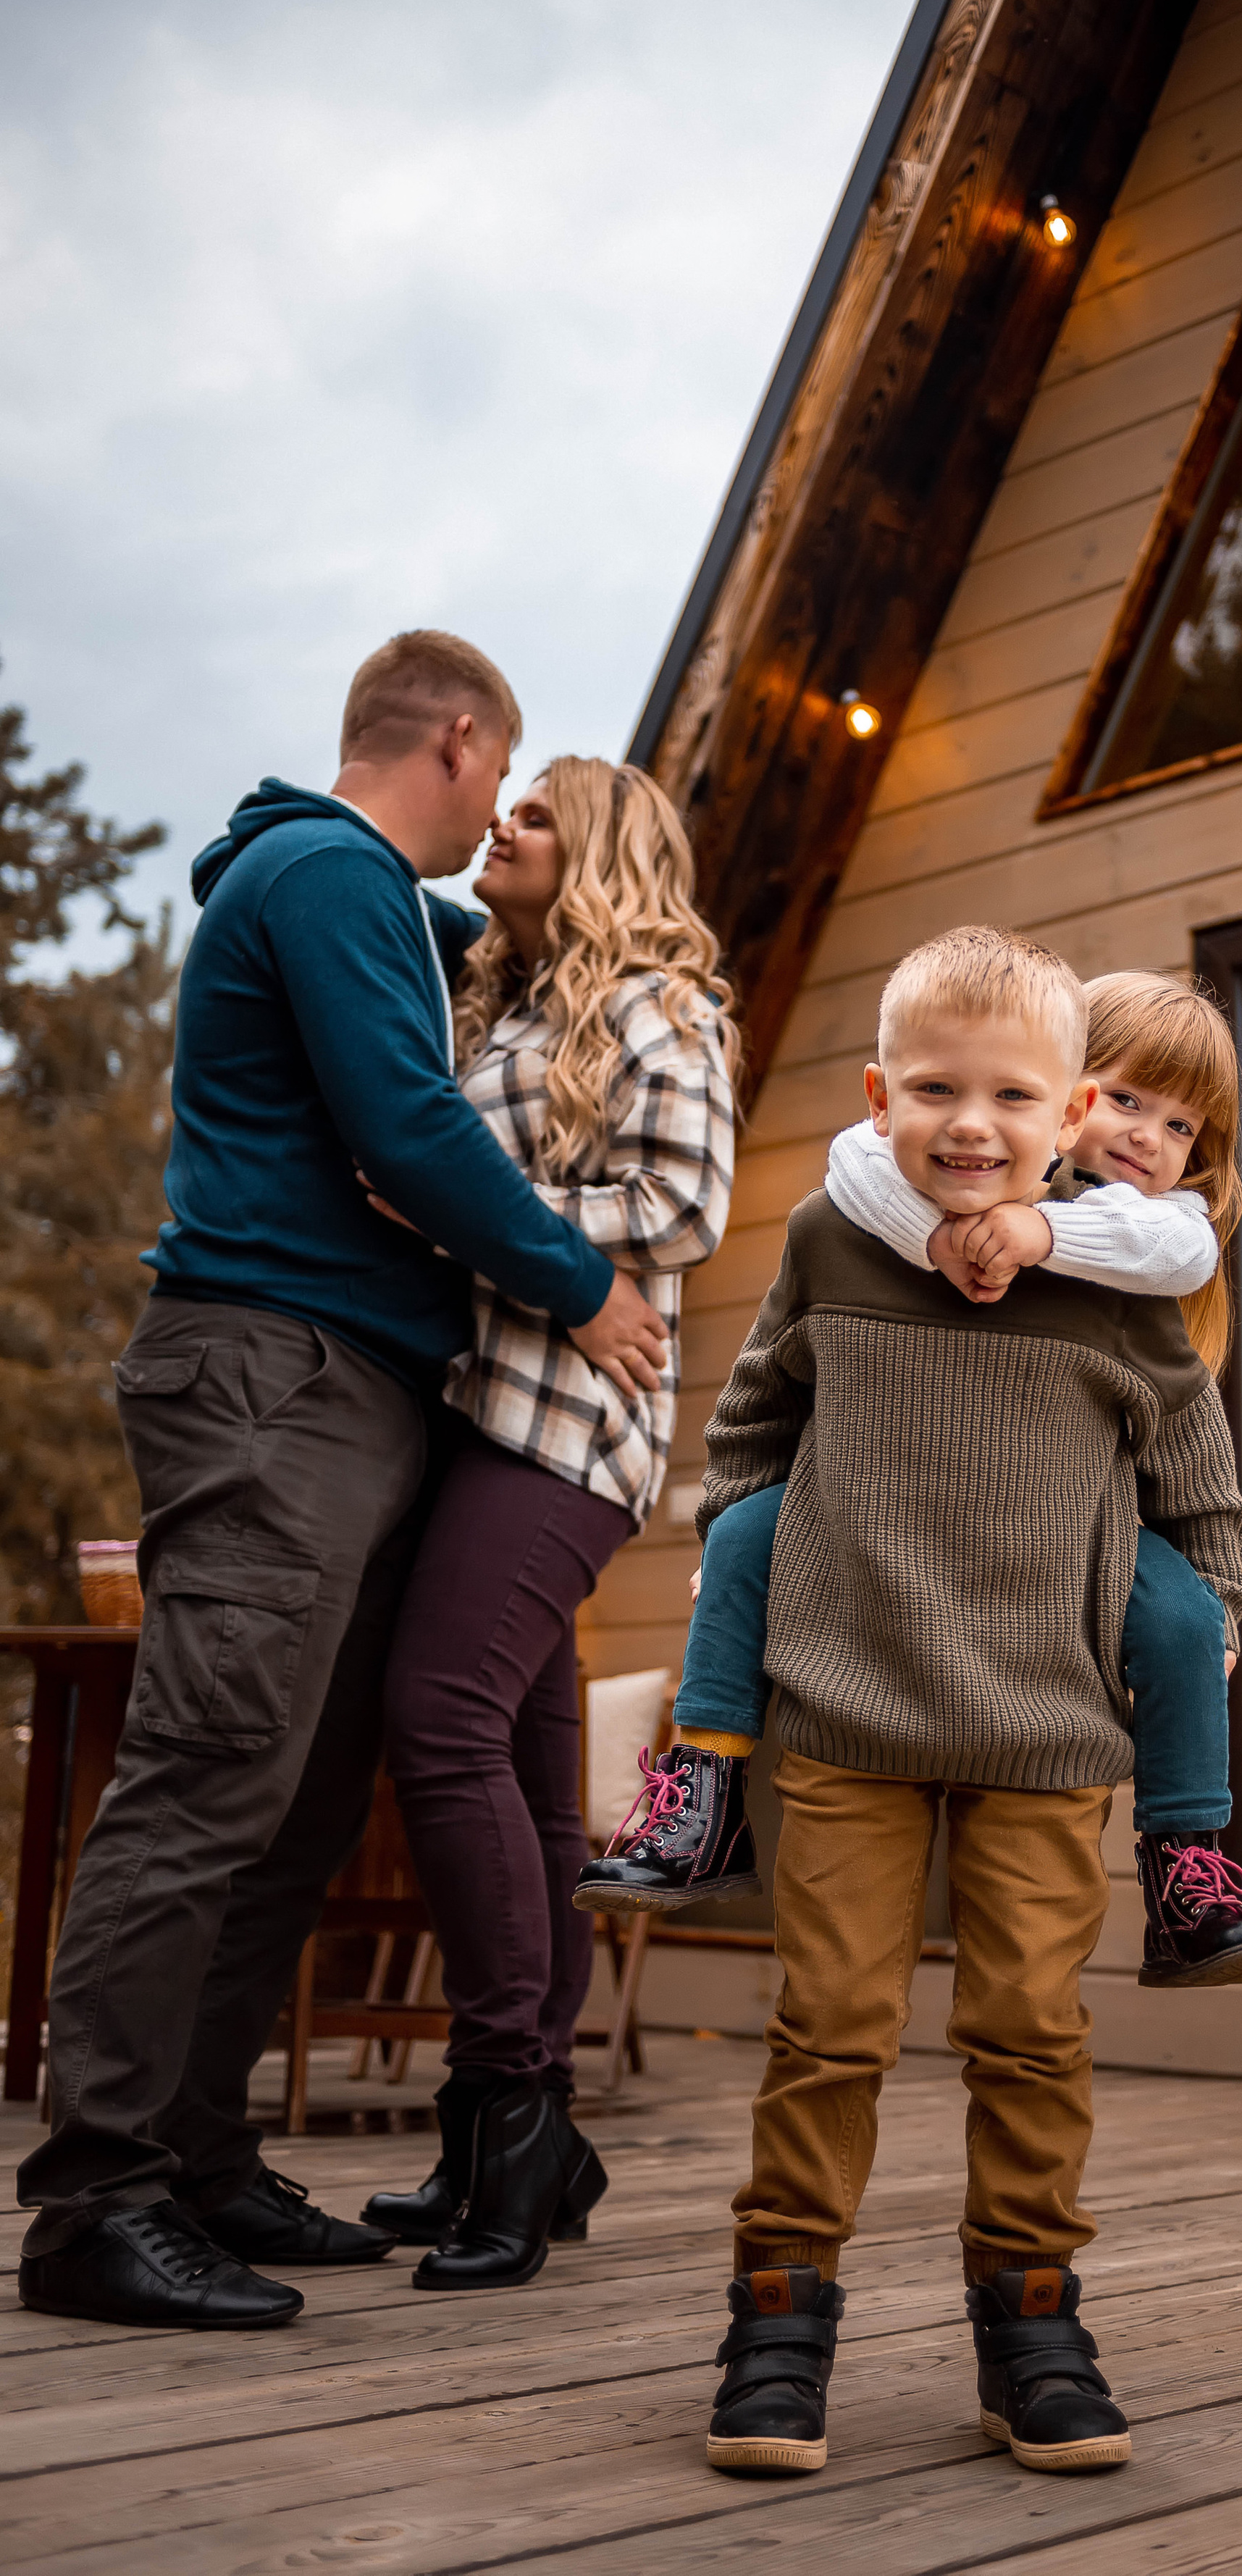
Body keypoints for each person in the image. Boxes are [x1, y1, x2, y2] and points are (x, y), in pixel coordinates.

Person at [16, 632, 667, 2335]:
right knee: (206, 1777)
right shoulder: (324, 872)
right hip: (268, 1375)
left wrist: (602, 913)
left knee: (294, 1802)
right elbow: (405, 1120)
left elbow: (529, 943)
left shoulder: (375, 901)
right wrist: (583, 1284)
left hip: (355, 1395)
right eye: (499, 785)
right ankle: (96, 2199)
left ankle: (203, 2157)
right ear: (458, 737)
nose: (489, 835)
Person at [657, 926, 1242, 2477]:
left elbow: (1197, 1492)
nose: (969, 1125)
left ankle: (1031, 2324)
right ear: (877, 1096)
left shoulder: (1113, 1288)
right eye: (932, 1089)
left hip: (1044, 1728)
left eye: (1009, 1097)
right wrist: (771, 1580)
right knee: (829, 2026)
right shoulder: (830, 1243)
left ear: (1066, 1122)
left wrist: (1214, 1619)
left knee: (1026, 2032)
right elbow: (750, 1432)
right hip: (847, 1716)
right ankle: (777, 2320)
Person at [579, 968, 1242, 1992]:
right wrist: (939, 1236)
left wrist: (1220, 1601)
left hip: (1075, 1554)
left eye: (1179, 1127)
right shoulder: (859, 1212)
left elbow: (1198, 1454)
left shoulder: (1144, 1252)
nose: (1144, 1138)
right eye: (1129, 1100)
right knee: (740, 1535)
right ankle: (704, 1787)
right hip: (871, 1532)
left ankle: (1185, 1863)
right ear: (1066, 1091)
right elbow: (850, 1183)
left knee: (1184, 1621)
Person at [358, 758, 735, 2291]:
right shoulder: (499, 1005)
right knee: (520, 1780)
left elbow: (685, 1204)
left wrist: (459, 1203)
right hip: (479, 1412)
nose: (502, 824)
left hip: (574, 1429)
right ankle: (522, 2135)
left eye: (535, 816)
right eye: (496, 806)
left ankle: (504, 2108)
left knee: (434, 1723)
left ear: (596, 855)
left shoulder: (660, 1002)